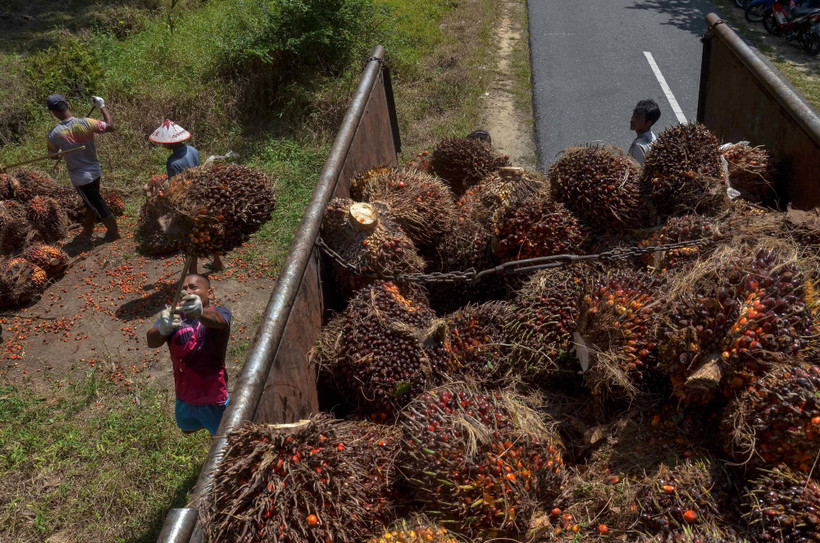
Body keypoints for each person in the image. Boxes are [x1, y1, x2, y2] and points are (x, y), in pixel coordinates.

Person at [146, 274, 232, 436]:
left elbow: (219, 321)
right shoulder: (172, 317)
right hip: (184, 396)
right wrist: (161, 329)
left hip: (213, 397)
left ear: (210, 293)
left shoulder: (220, 312)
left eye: (194, 287)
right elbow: (151, 341)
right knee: (187, 428)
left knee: (223, 437)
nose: (188, 291)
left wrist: (200, 313)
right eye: (183, 289)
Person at [149, 119, 222, 273]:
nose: (163, 145)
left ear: (170, 144)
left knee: (189, 237)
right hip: (202, 192)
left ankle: (193, 273)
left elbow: (175, 186)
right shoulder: (192, 150)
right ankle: (218, 262)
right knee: (208, 228)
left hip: (188, 201)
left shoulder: (172, 162)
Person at [46, 94, 120, 241]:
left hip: (80, 177)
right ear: (68, 105)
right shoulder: (86, 122)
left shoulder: (54, 134)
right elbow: (111, 126)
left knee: (96, 202)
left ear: (54, 113)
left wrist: (60, 152)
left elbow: (53, 155)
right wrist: (102, 106)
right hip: (95, 171)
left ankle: (113, 232)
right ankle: (88, 227)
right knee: (91, 200)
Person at [627, 99, 661, 165]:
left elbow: (636, 169)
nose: (632, 119)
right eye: (633, 115)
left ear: (649, 123)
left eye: (637, 118)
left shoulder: (638, 146)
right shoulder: (652, 136)